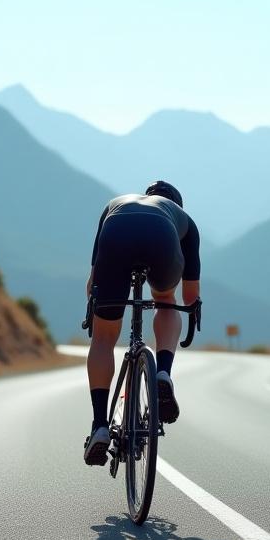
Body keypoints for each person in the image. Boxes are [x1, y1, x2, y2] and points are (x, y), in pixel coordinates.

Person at [83, 181, 201, 465]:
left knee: (103, 338)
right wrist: (185, 303)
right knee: (167, 300)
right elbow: (190, 297)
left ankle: (100, 426)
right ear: (176, 205)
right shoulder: (182, 220)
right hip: (162, 237)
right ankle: (163, 373)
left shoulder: (117, 203)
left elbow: (92, 283)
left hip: (117, 230)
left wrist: (101, 308)